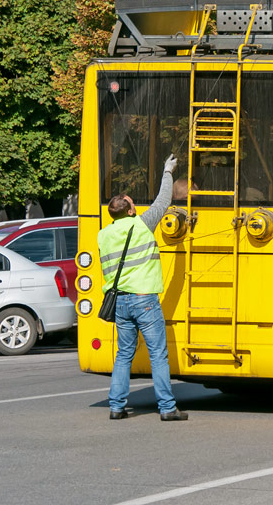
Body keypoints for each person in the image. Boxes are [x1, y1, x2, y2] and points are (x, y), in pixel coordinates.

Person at [99, 154, 188, 422]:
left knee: (124, 355)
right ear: (129, 211)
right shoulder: (140, 225)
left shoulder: (103, 234)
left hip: (121, 303)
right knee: (158, 355)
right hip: (144, 300)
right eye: (131, 203)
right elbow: (164, 201)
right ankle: (167, 408)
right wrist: (167, 170)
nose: (134, 204)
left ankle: (116, 407)